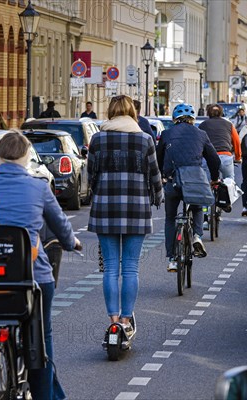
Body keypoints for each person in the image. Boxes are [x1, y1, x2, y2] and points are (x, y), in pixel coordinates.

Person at [0, 131, 81, 400]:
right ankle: (47, 395)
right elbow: (60, 226)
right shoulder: (39, 187)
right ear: (26, 157)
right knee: (42, 335)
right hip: (32, 276)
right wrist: (71, 243)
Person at [87, 95, 163, 339]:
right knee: (130, 268)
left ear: (110, 112)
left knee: (110, 267)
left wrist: (97, 192)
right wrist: (158, 197)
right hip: (136, 209)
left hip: (105, 209)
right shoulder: (144, 139)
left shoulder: (98, 139)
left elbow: (91, 175)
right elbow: (154, 174)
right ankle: (126, 319)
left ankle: (112, 319)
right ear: (133, 113)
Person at [157, 103, 220, 272]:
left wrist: (161, 177)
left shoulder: (166, 134)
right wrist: (214, 179)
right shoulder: (201, 134)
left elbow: (158, 159)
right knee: (197, 206)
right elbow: (214, 159)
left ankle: (172, 258)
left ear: (174, 119)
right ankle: (197, 236)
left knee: (170, 217)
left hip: (173, 181)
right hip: (194, 180)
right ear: (193, 119)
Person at [198, 103, 241, 181]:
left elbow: (198, 143)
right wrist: (238, 157)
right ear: (221, 113)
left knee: (207, 182)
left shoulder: (202, 125)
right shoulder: (229, 125)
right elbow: (236, 141)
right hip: (225, 156)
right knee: (229, 180)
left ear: (208, 113)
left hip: (208, 158)